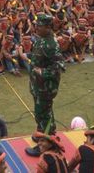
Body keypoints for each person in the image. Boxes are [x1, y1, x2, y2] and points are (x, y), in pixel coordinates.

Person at [21, 13, 64, 157]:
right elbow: (37, 58)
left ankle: (44, 145)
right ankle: (43, 134)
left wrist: (42, 72)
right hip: (37, 86)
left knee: (43, 114)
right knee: (43, 113)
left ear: (47, 27)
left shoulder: (52, 44)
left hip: (46, 87)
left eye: (39, 26)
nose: (36, 28)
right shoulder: (41, 39)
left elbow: (59, 66)